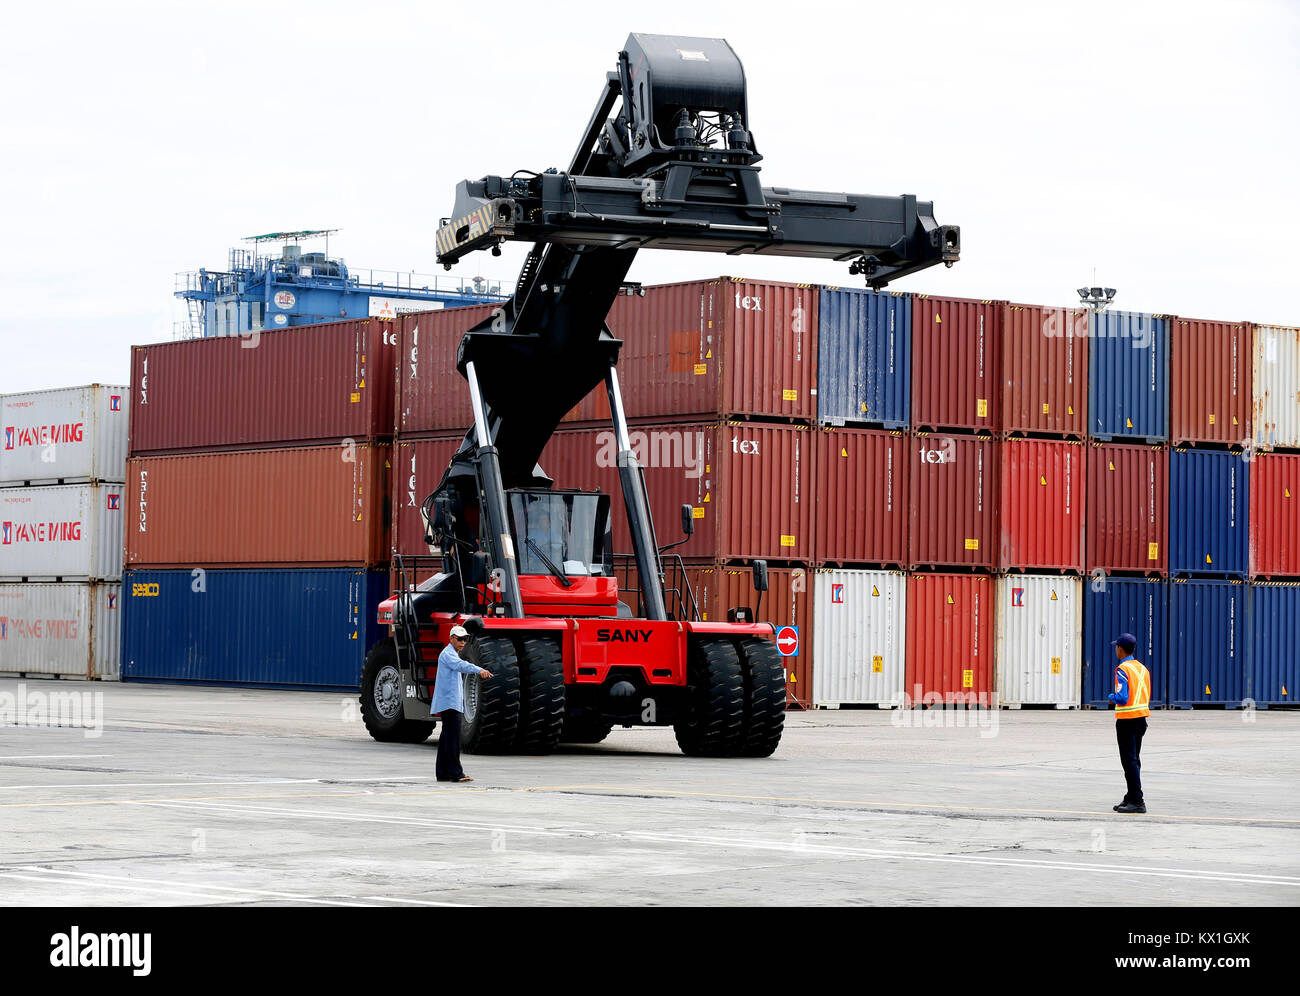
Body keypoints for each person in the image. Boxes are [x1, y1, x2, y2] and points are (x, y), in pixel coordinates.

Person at [432, 625, 492, 783]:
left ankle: (442, 773)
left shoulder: (452, 654)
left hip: (451, 703)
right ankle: (456, 774)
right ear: (451, 638)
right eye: (459, 639)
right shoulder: (448, 655)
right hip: (450, 704)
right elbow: (462, 666)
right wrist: (479, 669)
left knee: (446, 739)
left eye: (465, 639)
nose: (463, 642)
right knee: (452, 740)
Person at [1108, 632, 1151, 814]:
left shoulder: (1122, 669)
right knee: (1135, 760)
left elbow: (1122, 697)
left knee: (1129, 761)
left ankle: (1137, 801)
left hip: (1127, 720)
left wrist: (1111, 697)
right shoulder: (1142, 668)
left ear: (1120, 649)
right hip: (1141, 719)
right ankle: (1131, 796)